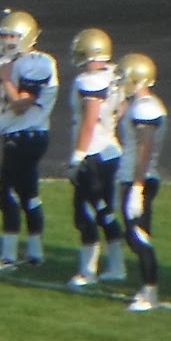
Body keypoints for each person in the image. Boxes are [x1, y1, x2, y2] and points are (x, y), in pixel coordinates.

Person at [0, 10, 58, 272]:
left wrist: (4, 79)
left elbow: (20, 105)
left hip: (27, 135)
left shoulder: (37, 63)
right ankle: (35, 252)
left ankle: (8, 255)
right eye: (4, 35)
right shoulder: (10, 62)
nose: (7, 40)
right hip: (21, 134)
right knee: (28, 193)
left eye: (12, 35)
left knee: (9, 194)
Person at [66, 28, 127, 288]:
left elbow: (89, 122)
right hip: (112, 149)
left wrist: (78, 156)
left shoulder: (89, 81)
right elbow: (122, 107)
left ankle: (87, 270)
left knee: (86, 213)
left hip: (93, 153)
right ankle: (117, 266)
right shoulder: (116, 75)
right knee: (105, 211)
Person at [118, 52, 168, 314]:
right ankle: (147, 288)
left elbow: (145, 148)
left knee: (139, 236)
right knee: (135, 236)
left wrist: (137, 186)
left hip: (140, 179)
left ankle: (150, 291)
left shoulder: (145, 107)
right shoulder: (140, 104)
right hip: (137, 177)